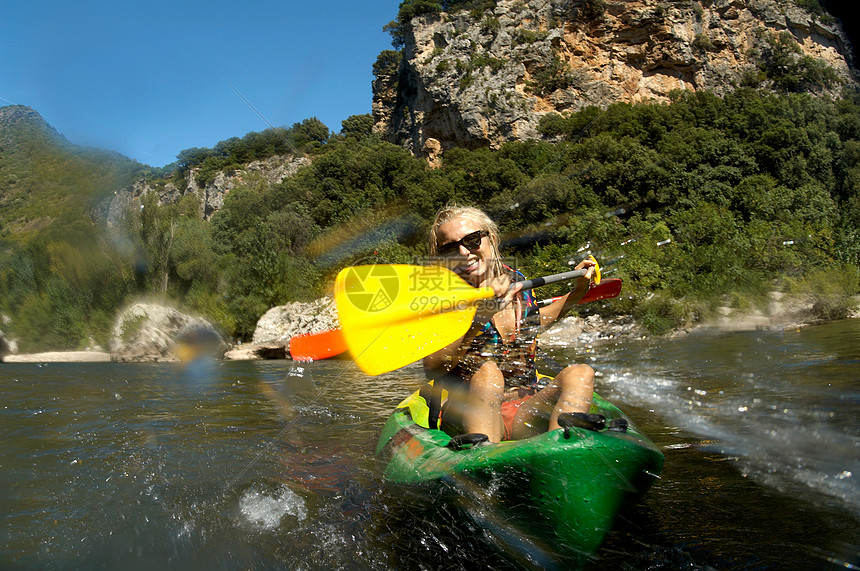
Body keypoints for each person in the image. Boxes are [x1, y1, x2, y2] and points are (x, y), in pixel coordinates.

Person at [423, 205, 598, 443]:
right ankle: (484, 459)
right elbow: (433, 367)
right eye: (451, 247)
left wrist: (577, 292)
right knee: (487, 373)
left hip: (524, 407)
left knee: (581, 373)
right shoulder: (443, 298)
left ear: (491, 239)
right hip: (467, 412)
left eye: (472, 240)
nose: (464, 252)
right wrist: (480, 318)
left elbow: (533, 322)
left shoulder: (517, 281)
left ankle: (560, 452)